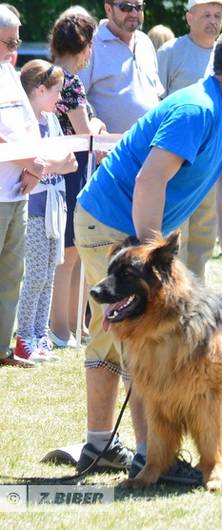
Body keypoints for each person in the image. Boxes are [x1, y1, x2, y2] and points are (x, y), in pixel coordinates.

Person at [73, 24, 222, 485]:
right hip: (110, 223)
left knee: (125, 337)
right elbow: (149, 180)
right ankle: (142, 456)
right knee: (132, 337)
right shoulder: (196, 110)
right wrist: (151, 258)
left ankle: (114, 448)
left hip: (138, 233)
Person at [0, 6, 74, 368]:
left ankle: (7, 347)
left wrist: (35, 166)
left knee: (16, 274)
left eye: (17, 41)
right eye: (10, 42)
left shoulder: (9, 73)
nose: (15, 48)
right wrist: (33, 163)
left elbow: (28, 127)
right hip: (9, 190)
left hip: (19, 191)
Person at [158, 0, 222, 282]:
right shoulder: (170, 51)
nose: (213, 20)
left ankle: (195, 294)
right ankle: (172, 292)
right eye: (206, 14)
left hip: (213, 157)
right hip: (175, 156)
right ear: (189, 17)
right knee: (176, 234)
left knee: (204, 237)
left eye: (218, 15)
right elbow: (156, 102)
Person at [15, 60, 78, 362]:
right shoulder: (24, 122)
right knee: (36, 275)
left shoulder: (52, 121)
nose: (60, 98)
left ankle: (40, 335)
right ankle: (24, 336)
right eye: (56, 91)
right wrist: (47, 164)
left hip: (55, 205)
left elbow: (71, 162)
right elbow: (28, 163)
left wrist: (44, 165)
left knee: (50, 273)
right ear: (40, 90)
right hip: (35, 208)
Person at [49, 7, 104, 348]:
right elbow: (85, 132)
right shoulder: (70, 82)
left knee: (72, 253)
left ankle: (72, 326)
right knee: (69, 253)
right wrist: (98, 124)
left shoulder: (53, 77)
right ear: (84, 46)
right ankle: (61, 328)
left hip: (67, 171)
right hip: (72, 172)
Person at [78, 0, 162, 134]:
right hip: (108, 144)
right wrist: (94, 127)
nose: (134, 13)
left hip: (149, 143)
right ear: (108, 9)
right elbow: (77, 98)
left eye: (139, 7)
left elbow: (155, 94)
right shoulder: (91, 44)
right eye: (125, 7)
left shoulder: (145, 42)